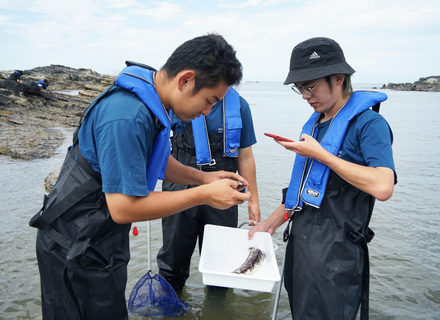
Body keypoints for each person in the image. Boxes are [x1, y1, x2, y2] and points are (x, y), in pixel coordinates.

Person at [30, 33, 250, 320]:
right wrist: (205, 195)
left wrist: (203, 178)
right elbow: (123, 208)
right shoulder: (128, 115)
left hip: (98, 239)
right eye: (209, 100)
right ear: (185, 80)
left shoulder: (152, 100)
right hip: (73, 249)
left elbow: (156, 159)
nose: (207, 111)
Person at [249, 37, 397, 320]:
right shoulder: (316, 124)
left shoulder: (369, 124)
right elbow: (302, 192)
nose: (305, 95)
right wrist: (268, 225)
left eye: (310, 86)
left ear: (339, 78)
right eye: (299, 88)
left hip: (336, 257)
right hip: (301, 249)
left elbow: (383, 186)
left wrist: (323, 155)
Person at [157, 87, 261, 291]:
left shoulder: (240, 106)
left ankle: (217, 305)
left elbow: (246, 156)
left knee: (222, 264)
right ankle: (170, 301)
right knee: (173, 259)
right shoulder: (179, 101)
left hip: (225, 186)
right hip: (180, 181)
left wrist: (253, 201)